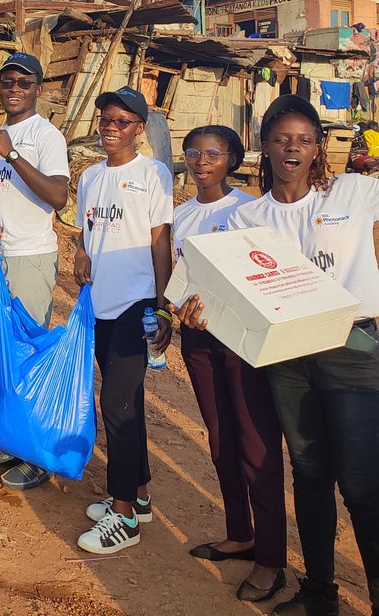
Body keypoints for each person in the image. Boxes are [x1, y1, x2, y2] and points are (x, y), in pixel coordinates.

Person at [220, 95, 379, 616]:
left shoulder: (353, 191)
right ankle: (319, 593)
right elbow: (231, 291)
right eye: (282, 139)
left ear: (318, 149)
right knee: (310, 476)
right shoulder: (247, 218)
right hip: (289, 356)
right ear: (265, 147)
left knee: (362, 485)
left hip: (352, 349)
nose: (293, 148)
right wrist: (201, 308)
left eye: (305, 140)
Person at [167, 126, 286, 604]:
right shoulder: (181, 214)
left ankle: (271, 559)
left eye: (213, 153)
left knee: (256, 447)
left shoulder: (248, 211)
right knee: (221, 440)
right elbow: (180, 277)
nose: (201, 161)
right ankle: (240, 533)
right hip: (198, 340)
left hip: (241, 340)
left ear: (233, 159)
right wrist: (174, 310)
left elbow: (262, 273)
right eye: (193, 152)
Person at [72, 86, 173, 555]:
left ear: (139, 128)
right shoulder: (91, 177)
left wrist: (162, 306)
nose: (111, 127)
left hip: (137, 303)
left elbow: (159, 240)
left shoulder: (152, 173)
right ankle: (141, 496)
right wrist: (80, 253)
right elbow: (87, 229)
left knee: (116, 404)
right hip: (100, 303)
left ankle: (124, 514)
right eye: (106, 119)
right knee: (128, 402)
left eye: (122, 121)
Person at [0, 52, 70, 491]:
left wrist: (11, 155)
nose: (13, 89)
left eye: (23, 83)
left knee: (29, 353)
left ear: (38, 90)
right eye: (7, 82)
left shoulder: (47, 136)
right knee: (2, 350)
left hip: (30, 257)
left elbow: (59, 196)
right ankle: (10, 439)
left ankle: (34, 456)